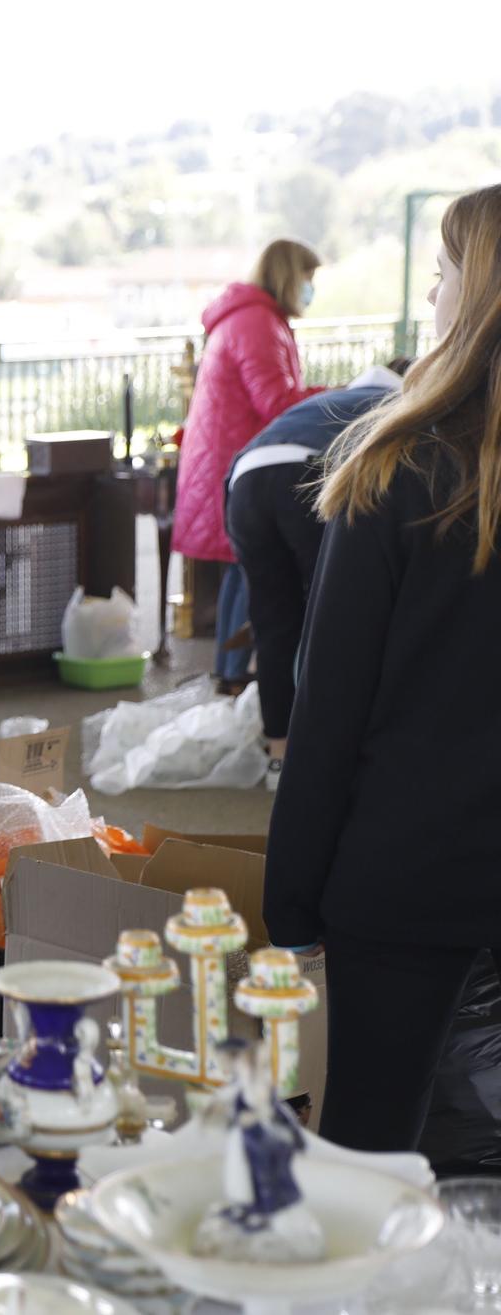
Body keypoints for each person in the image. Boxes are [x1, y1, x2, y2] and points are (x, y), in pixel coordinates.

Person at [264, 184, 501, 1153]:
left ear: (476, 296)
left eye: (444, 272)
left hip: (402, 877)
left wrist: (290, 904)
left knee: (366, 1147)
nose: (433, 292)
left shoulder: (395, 467)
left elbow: (330, 714)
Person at [225, 359, 407, 782]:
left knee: (273, 625)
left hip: (245, 480)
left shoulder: (332, 398)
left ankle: (279, 754)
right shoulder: (401, 401)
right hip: (309, 474)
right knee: (331, 621)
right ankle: (327, 757)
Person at [173, 238, 325, 686]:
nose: (310, 290)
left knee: (245, 571)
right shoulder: (258, 322)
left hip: (229, 459)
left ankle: (232, 674)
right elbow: (276, 401)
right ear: (288, 276)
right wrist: (337, 395)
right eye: (308, 280)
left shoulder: (250, 317)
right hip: (238, 464)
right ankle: (236, 678)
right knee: (253, 572)